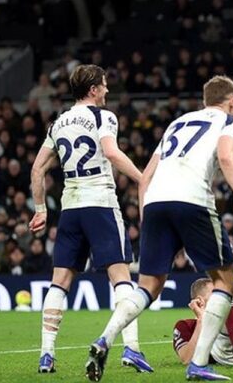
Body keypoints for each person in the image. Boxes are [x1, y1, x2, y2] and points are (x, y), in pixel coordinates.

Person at [85, 75, 233, 382]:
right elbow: (226, 156)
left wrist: (148, 217)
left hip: (155, 202)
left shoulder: (177, 123)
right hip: (193, 199)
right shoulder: (230, 122)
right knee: (227, 281)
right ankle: (197, 364)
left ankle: (105, 338)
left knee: (149, 286)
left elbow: (145, 178)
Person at [29, 64, 151, 374]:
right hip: (99, 203)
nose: (108, 90)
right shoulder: (103, 116)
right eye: (105, 85)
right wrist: (141, 178)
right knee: (121, 276)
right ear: (94, 89)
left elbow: (36, 169)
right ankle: (132, 349)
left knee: (60, 281)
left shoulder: (58, 123)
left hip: (70, 208)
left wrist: (41, 209)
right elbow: (111, 152)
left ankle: (46, 355)